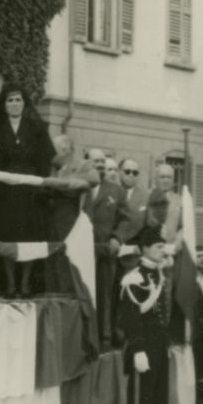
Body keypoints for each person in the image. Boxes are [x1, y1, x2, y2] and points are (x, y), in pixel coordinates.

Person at [0, 83, 54, 297]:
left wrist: (41, 186)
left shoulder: (37, 129)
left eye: (18, 99)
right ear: (3, 104)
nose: (14, 104)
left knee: (29, 237)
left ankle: (25, 282)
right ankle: (10, 283)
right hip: (4, 191)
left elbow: (45, 161)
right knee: (7, 236)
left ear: (24, 103)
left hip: (30, 192)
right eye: (10, 100)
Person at [118, 224, 177, 404]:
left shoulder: (156, 273)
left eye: (163, 246)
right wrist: (138, 348)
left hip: (159, 340)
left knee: (159, 391)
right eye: (158, 246)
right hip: (143, 341)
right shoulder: (134, 278)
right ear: (144, 249)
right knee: (143, 392)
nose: (163, 250)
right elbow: (130, 318)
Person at [45, 134, 100, 293]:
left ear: (64, 150)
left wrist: (65, 181)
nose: (50, 154)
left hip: (71, 221)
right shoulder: (52, 167)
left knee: (68, 262)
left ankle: (68, 297)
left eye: (53, 150)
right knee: (53, 261)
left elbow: (94, 177)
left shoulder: (81, 165)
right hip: (51, 222)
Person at [82, 149, 124, 347]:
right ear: (86, 162)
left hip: (106, 250)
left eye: (101, 161)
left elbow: (125, 218)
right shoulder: (79, 186)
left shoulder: (115, 190)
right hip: (82, 250)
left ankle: (104, 340)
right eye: (95, 161)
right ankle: (85, 340)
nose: (99, 165)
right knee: (84, 294)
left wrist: (117, 238)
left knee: (104, 296)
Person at [113, 158, 152, 244]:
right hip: (112, 245)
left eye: (135, 173)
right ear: (120, 172)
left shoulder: (146, 197)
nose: (131, 175)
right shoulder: (112, 192)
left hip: (135, 247)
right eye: (127, 172)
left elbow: (149, 226)